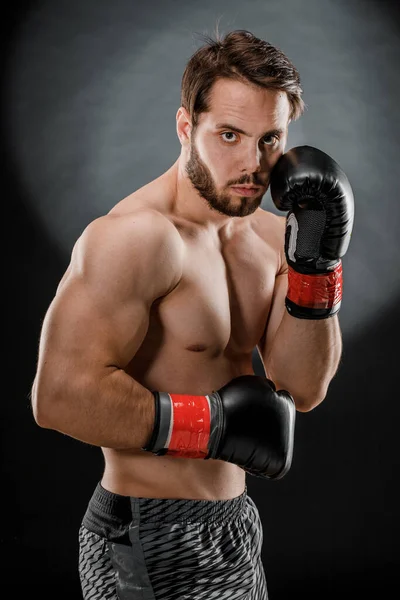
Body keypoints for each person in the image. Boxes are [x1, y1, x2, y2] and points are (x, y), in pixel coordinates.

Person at [31, 29, 354, 600]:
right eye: (228, 135)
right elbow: (57, 395)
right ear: (186, 127)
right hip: (142, 530)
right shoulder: (136, 239)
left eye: (269, 139)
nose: (252, 163)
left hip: (234, 524)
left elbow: (303, 388)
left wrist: (316, 263)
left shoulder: (275, 238)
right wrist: (213, 424)